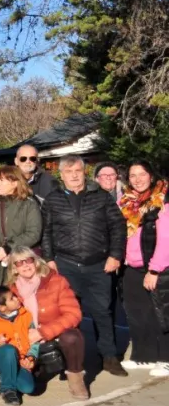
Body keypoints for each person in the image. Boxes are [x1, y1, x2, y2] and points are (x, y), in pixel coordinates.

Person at [41, 155, 127, 377]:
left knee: (103, 312)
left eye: (78, 171)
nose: (74, 176)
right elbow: (46, 231)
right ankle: (74, 360)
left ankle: (109, 357)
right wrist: (49, 259)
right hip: (66, 264)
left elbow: (118, 227)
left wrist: (115, 255)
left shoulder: (101, 197)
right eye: (69, 172)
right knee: (69, 314)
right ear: (61, 175)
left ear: (84, 172)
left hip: (99, 264)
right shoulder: (52, 199)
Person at [0, 247, 88, 399]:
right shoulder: (12, 291)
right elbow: (0, 314)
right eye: (19, 263)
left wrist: (42, 332)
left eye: (28, 260)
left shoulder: (56, 281)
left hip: (53, 335)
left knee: (72, 337)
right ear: (14, 269)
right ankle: (14, 375)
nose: (25, 265)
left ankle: (75, 377)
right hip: (27, 341)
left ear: (36, 262)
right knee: (31, 387)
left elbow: (74, 314)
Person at [118, 161, 169, 375]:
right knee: (137, 312)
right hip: (132, 266)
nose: (137, 179)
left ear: (151, 175)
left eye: (142, 174)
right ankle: (144, 356)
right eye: (133, 175)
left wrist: (155, 270)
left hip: (157, 266)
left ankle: (165, 358)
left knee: (161, 313)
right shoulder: (126, 202)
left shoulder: (162, 199)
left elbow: (166, 239)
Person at [0, 166, 43, 287]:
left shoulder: (29, 204)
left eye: (1, 180)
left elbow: (33, 233)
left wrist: (8, 248)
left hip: (21, 261)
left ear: (15, 183)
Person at [0, 286, 41, 406]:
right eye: (12, 298)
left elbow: (34, 341)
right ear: (2, 308)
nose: (17, 299)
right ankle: (7, 390)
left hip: (20, 360)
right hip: (1, 360)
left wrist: (31, 357)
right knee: (8, 350)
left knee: (28, 388)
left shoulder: (25, 315)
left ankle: (4, 378)